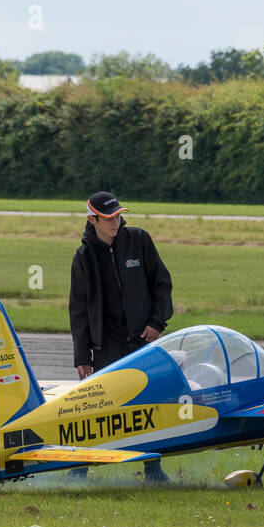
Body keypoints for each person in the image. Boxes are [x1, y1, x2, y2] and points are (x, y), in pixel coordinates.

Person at [68, 191, 174, 481]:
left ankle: (153, 469)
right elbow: (78, 310)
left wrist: (157, 323)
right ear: (93, 220)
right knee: (96, 409)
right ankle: (78, 469)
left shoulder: (139, 240)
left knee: (152, 404)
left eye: (117, 216)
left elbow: (162, 284)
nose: (116, 222)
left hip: (144, 340)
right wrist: (82, 355)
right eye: (108, 218)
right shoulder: (84, 257)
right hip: (107, 345)